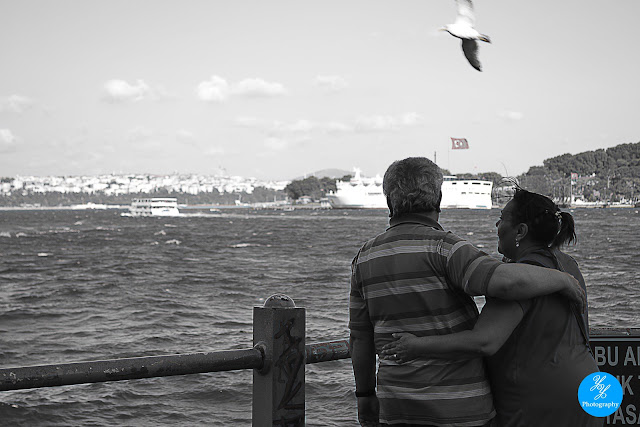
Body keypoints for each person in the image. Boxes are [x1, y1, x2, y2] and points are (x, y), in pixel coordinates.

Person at [349, 157, 587, 427]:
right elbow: (504, 282)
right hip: (460, 408)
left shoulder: (363, 258)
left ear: (389, 201)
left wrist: (365, 394)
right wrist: (562, 280)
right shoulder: (446, 248)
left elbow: (360, 338)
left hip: (396, 405)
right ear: (437, 198)